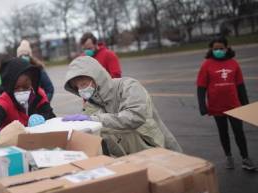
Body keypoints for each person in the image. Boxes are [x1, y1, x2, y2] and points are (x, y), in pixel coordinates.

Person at [62, 56, 182, 156]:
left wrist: (95, 120)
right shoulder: (89, 107)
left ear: (97, 77)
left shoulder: (128, 86)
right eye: (77, 87)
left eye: (83, 84)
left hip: (154, 151)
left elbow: (135, 116)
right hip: (127, 162)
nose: (81, 90)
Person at [196, 37, 255, 171]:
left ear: (227, 48)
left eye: (221, 48)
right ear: (211, 49)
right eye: (215, 49)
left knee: (239, 132)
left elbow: (240, 86)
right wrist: (202, 105)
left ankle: (245, 158)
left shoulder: (233, 64)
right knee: (223, 133)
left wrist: (245, 104)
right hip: (217, 107)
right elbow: (201, 87)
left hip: (234, 105)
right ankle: (228, 156)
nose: (218, 51)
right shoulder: (206, 65)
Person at [0, 58, 56, 146]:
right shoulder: (5, 100)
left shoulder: (38, 94)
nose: (21, 91)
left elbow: (50, 115)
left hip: (38, 142)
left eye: (26, 86)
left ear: (32, 83)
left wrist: (42, 117)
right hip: (13, 145)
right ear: (9, 86)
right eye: (16, 88)